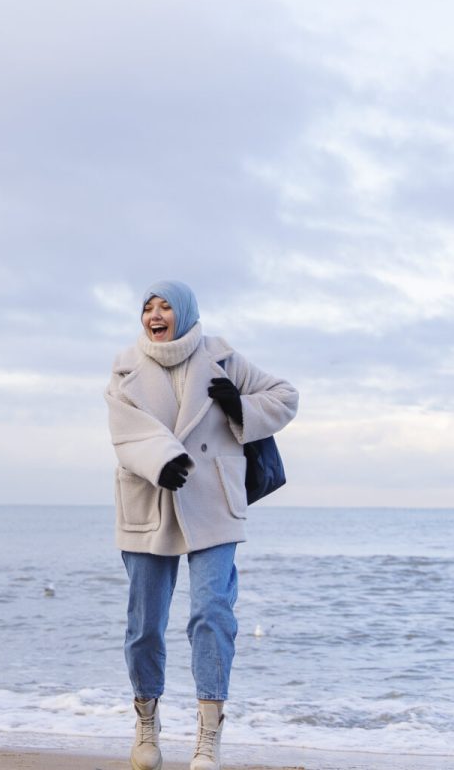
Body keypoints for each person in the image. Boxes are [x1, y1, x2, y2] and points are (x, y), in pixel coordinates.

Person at [106, 280, 297, 770]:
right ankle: (146, 724)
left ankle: (208, 736)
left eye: (166, 304)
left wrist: (241, 407)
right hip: (151, 496)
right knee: (144, 624)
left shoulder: (223, 356)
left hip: (213, 500)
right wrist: (163, 457)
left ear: (185, 311)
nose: (155, 312)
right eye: (147, 306)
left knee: (212, 615)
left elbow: (286, 396)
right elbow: (124, 430)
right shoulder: (126, 365)